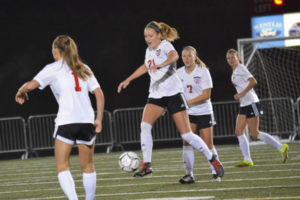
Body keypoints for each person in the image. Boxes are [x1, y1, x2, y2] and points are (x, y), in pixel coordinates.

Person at [117, 21, 224, 178]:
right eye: (145, 36)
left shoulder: (165, 45)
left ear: (159, 35)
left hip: (174, 94)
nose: (148, 38)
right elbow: (145, 67)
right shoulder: (148, 51)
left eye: (151, 35)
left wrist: (161, 65)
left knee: (187, 135)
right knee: (145, 126)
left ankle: (213, 160)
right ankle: (147, 165)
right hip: (155, 95)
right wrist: (128, 79)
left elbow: (174, 56)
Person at [15, 35, 104, 200]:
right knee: (88, 167)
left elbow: (31, 85)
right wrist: (98, 119)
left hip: (66, 122)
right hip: (86, 122)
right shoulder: (84, 68)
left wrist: (21, 90)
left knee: (63, 167)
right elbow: (99, 94)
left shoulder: (52, 68)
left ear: (55, 51)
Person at [226, 48, 289, 167]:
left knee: (254, 133)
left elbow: (253, 81)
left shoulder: (241, 68)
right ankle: (247, 159)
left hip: (252, 103)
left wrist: (240, 94)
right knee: (239, 132)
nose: (230, 60)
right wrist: (241, 96)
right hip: (244, 104)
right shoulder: (235, 71)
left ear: (238, 58)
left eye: (232, 58)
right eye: (228, 58)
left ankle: (281, 147)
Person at [177, 46, 222, 183]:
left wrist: (187, 102)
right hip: (188, 113)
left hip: (204, 111)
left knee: (208, 144)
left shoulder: (203, 71)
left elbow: (206, 95)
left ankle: (216, 171)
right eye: (184, 56)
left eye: (190, 56)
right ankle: (189, 175)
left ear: (195, 57)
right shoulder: (178, 73)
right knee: (186, 142)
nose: (187, 59)